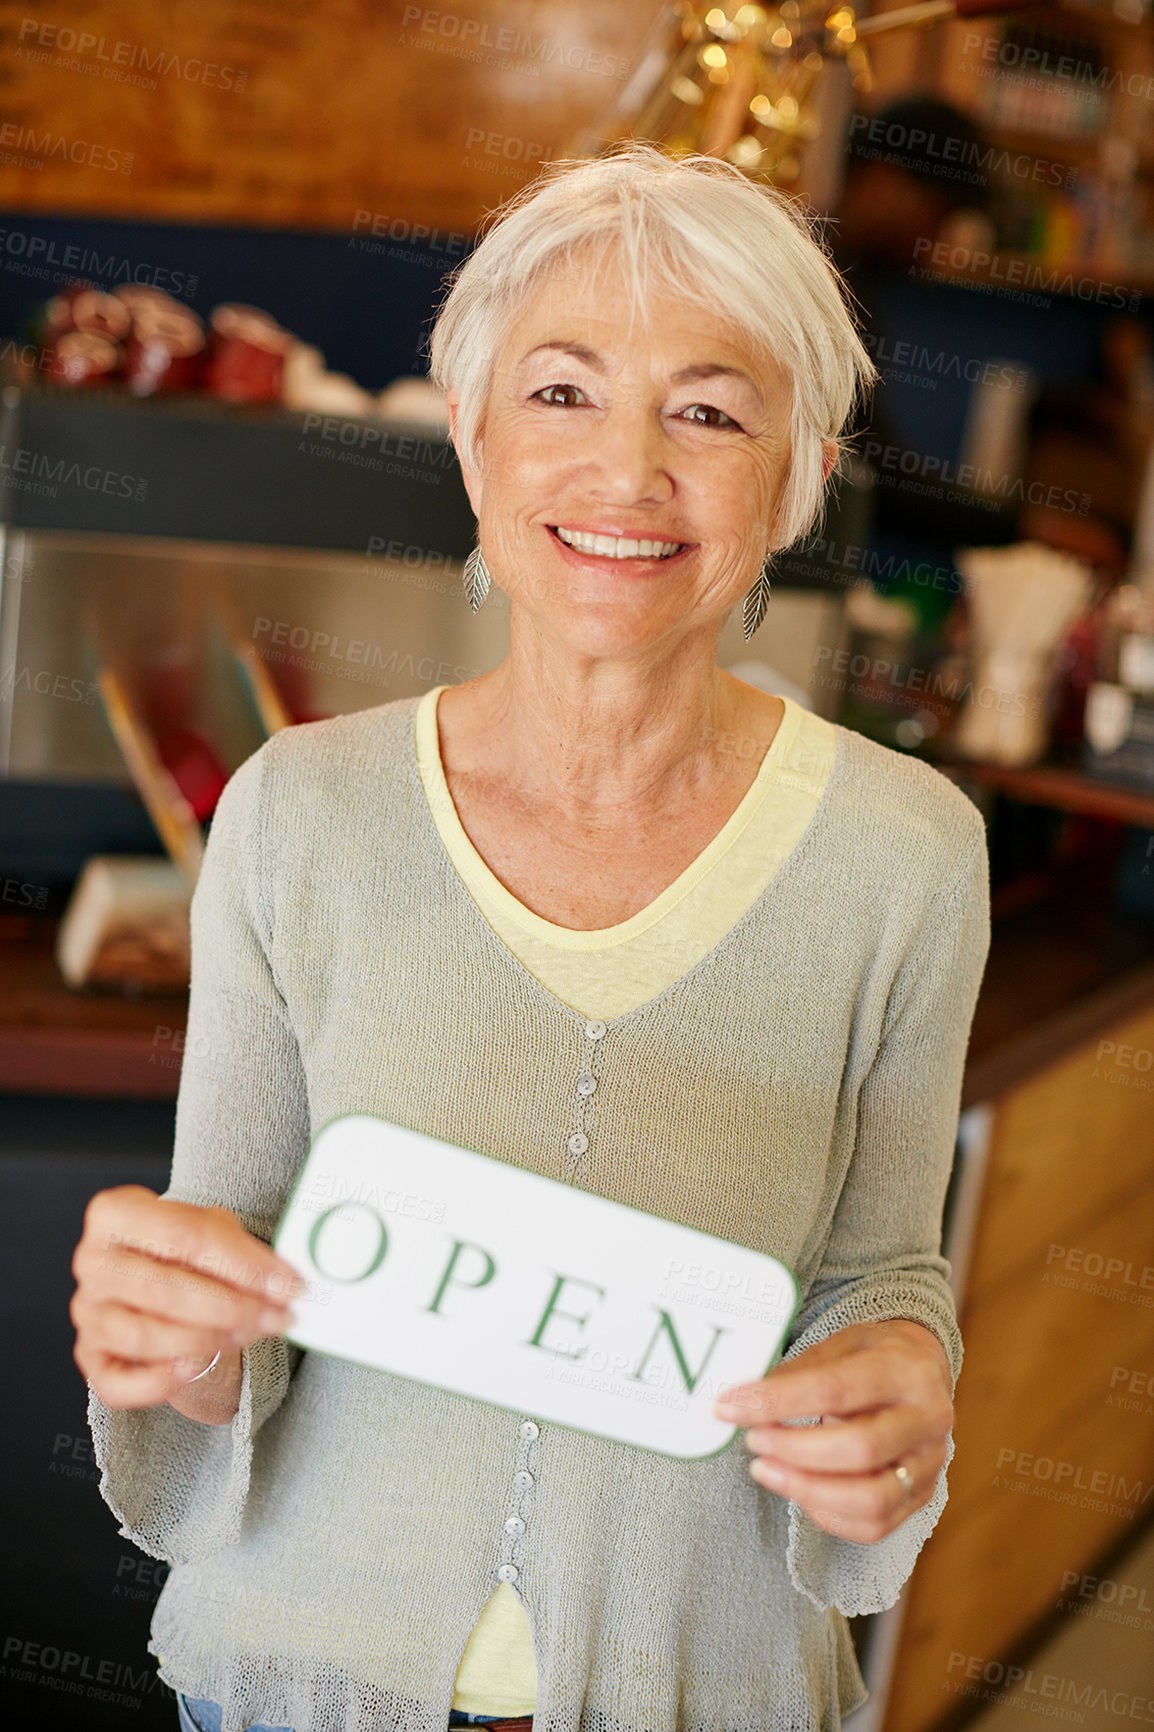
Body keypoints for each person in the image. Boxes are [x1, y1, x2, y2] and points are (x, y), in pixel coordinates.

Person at [70, 142, 990, 1732]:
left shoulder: (906, 855)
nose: (626, 471)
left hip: (699, 1687)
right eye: (560, 393)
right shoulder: (298, 812)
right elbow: (238, 1275)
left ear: (798, 476)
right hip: (304, 1688)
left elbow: (873, 1274)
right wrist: (171, 1327)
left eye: (706, 411)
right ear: (473, 435)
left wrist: (901, 1379)